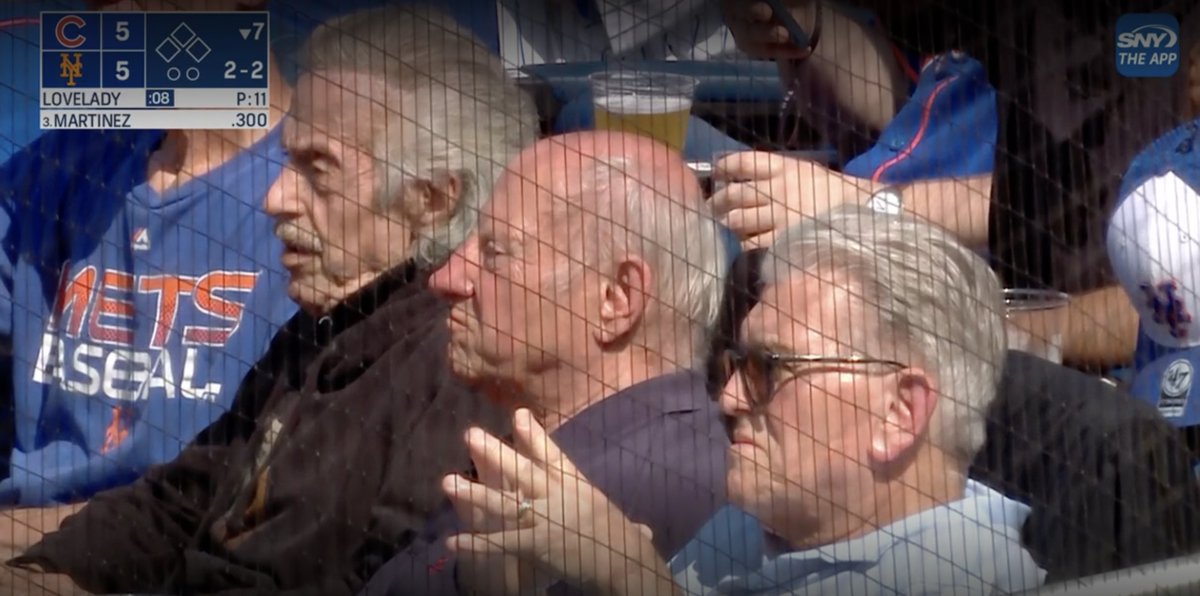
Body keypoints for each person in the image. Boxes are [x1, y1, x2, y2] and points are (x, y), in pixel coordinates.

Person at [5, 5, 538, 594]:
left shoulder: (445, 369)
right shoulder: (322, 329)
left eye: (316, 169)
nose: (278, 197)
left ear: (432, 199)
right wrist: (38, 571)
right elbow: (178, 503)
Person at [444, 204, 1047, 595]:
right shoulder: (762, 525)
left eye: (769, 368)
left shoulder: (963, 577)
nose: (729, 398)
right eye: (735, 364)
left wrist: (632, 578)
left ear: (899, 412)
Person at [715, 0, 1200, 372]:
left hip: (1045, 342)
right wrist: (807, 28)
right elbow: (912, 99)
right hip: (905, 257)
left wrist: (868, 208)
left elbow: (1118, 227)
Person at [360, 130, 731, 594]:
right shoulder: (598, 457)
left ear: (615, 298)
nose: (447, 278)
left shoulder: (635, 495)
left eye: (494, 254)